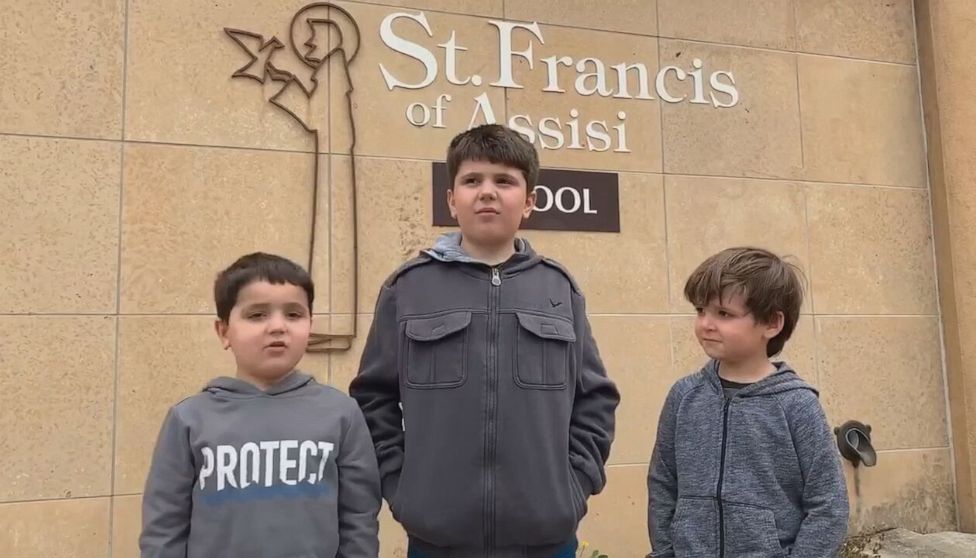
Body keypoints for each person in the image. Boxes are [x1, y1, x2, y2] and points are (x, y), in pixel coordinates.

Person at [350, 124, 620, 558]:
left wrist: (572, 488)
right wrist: (402, 490)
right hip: (437, 541)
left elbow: (596, 399)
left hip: (545, 539)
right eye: (472, 180)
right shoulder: (408, 288)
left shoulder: (559, 289)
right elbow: (373, 398)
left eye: (505, 181)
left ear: (530, 202)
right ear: (451, 200)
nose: (487, 192)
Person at [139, 252, 380, 558]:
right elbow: (164, 525)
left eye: (294, 314)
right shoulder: (189, 419)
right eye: (257, 315)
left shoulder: (342, 414)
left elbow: (359, 519)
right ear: (224, 331)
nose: (278, 326)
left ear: (310, 324)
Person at [647, 246, 849, 557]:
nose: (706, 324)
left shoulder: (797, 405)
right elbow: (663, 484)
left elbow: (828, 503)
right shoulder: (684, 396)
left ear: (772, 323)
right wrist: (665, 551)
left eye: (724, 313)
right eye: (701, 310)